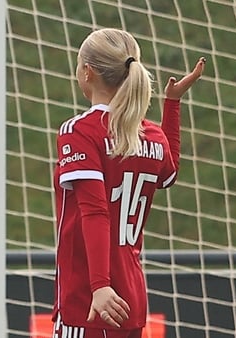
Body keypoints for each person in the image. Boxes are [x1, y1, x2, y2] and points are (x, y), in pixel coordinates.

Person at [51, 28, 205, 338]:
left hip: (91, 300)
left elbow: (95, 213)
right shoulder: (150, 134)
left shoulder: (81, 130)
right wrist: (171, 106)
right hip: (131, 296)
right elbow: (170, 172)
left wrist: (99, 285)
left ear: (86, 72)